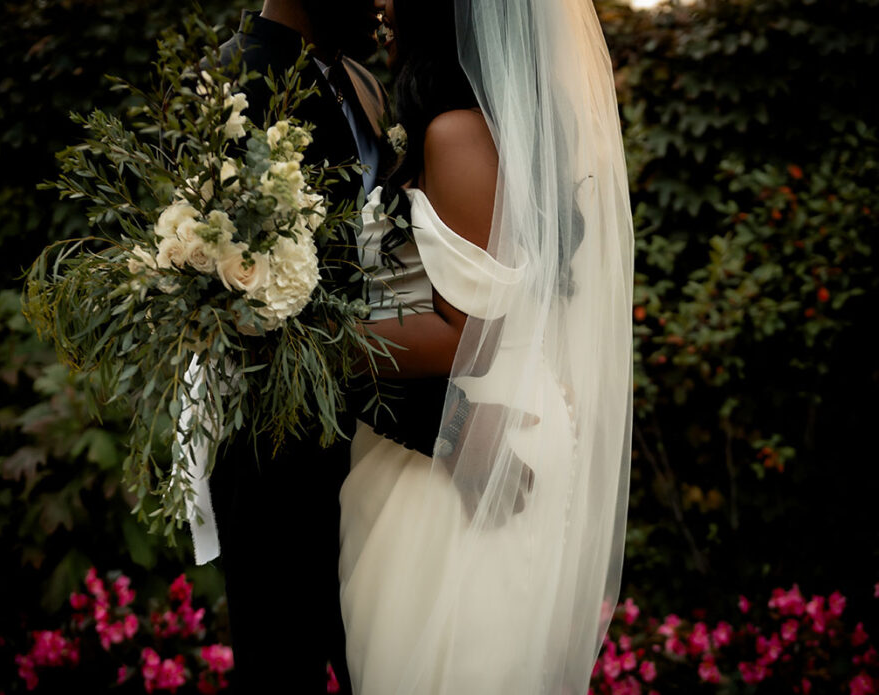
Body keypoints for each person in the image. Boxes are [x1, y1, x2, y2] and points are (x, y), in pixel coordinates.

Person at [338, 0, 634, 692]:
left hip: (473, 442)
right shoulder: (494, 130)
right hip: (463, 431)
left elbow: (463, 333)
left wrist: (295, 329)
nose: (385, 3)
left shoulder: (458, 135)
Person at [174, 2, 387, 692]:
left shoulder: (356, 78)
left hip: (372, 443)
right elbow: (225, 294)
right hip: (276, 451)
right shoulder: (231, 83)